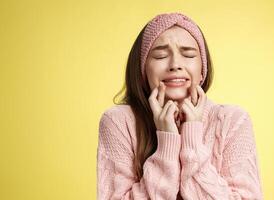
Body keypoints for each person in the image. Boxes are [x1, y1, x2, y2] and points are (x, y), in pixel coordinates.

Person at [97, 12, 263, 199]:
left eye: (188, 55)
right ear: (143, 71)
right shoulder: (118, 122)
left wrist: (192, 138)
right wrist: (167, 142)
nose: (175, 64)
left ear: (202, 71)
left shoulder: (233, 121)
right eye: (160, 56)